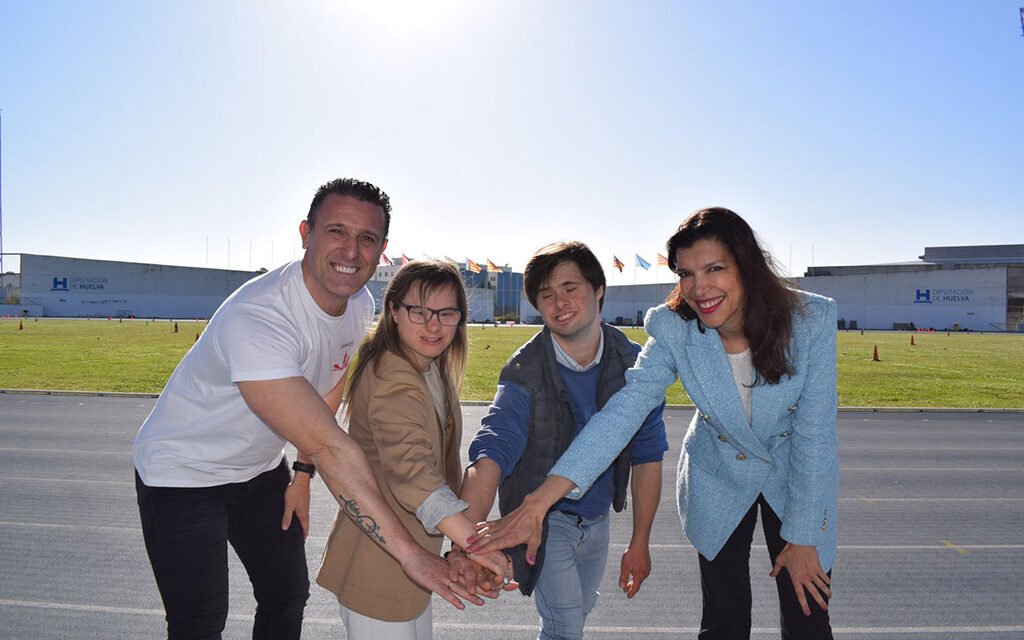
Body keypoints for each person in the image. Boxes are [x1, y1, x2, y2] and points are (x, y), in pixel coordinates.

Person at [133, 179, 482, 640]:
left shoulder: (358, 303)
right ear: (305, 233)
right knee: (199, 620)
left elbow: (330, 387)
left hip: (257, 471)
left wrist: (300, 474)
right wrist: (411, 555)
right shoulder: (259, 318)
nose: (351, 251)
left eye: (367, 239)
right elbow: (333, 446)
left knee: (286, 595)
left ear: (382, 250)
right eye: (337, 231)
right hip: (182, 474)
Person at [468, 208, 839, 639]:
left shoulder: (810, 320)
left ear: (747, 265)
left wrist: (805, 537)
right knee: (724, 620)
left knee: (808, 618)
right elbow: (623, 413)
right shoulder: (674, 326)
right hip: (720, 474)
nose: (699, 288)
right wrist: (537, 504)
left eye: (715, 268)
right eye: (686, 273)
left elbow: (814, 435)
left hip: (795, 474)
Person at [453, 241, 668, 640]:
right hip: (544, 522)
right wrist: (468, 540)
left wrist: (640, 542)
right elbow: (492, 449)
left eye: (571, 287)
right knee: (564, 626)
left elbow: (648, 457)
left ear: (598, 289)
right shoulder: (524, 371)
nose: (559, 302)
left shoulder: (635, 366)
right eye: (546, 294)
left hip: (598, 518)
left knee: (577, 615)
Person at [316, 259, 515, 640]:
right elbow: (415, 476)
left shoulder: (428, 365)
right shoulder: (394, 376)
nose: (433, 324)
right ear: (393, 311)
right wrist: (474, 544)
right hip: (377, 570)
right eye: (419, 311)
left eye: (446, 313)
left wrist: (460, 547)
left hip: (407, 569)